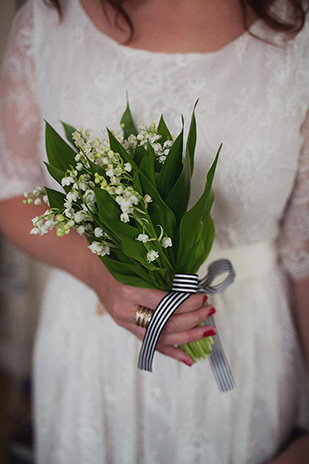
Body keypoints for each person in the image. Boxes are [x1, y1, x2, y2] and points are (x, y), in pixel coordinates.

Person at [0, 0, 308, 462]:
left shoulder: (298, 37)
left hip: (247, 352)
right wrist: (98, 271)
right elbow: (10, 190)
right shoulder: (50, 22)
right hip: (92, 350)